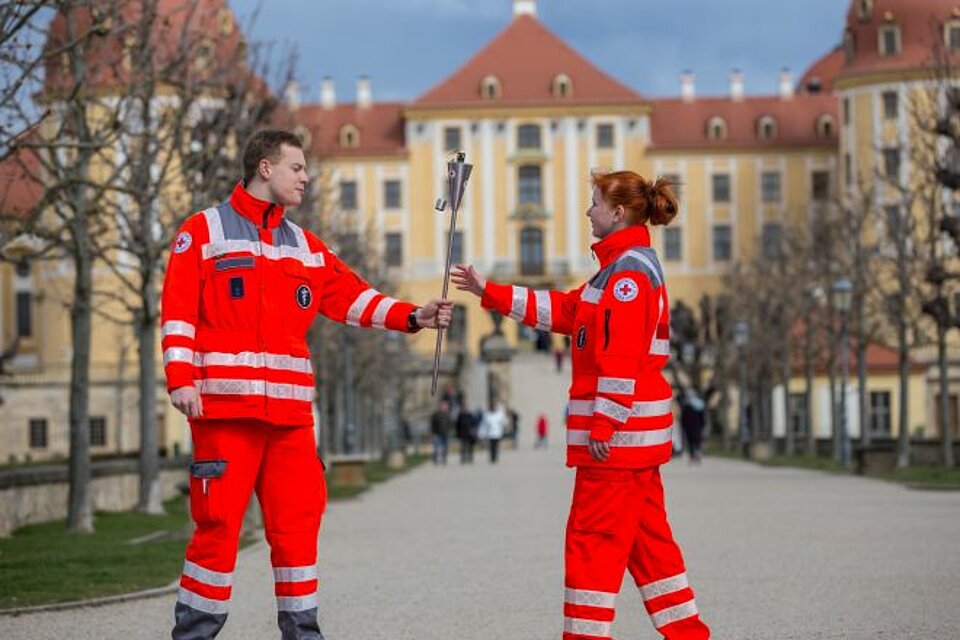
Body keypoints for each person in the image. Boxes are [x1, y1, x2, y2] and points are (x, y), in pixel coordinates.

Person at [161, 129, 452, 640]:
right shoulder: (203, 231)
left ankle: (303, 632)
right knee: (218, 530)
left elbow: (354, 299)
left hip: (291, 422)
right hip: (226, 414)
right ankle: (194, 633)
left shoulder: (306, 246)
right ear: (265, 168)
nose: (306, 178)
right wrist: (180, 378)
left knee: (298, 530)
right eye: (297, 168)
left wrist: (415, 316)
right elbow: (178, 312)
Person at [452, 170, 710, 639]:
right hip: (635, 443)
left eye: (593, 202)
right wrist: (488, 291)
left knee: (590, 547)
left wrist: (604, 425)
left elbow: (621, 353)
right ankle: (688, 633)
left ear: (617, 212)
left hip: (618, 444)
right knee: (650, 547)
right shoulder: (619, 268)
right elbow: (565, 312)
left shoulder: (627, 273)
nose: (587, 211)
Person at [679, 388, 706, 464]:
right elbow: (702, 417)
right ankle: (696, 454)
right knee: (696, 441)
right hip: (697, 426)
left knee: (691, 442)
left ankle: (693, 456)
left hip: (689, 427)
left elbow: (683, 418)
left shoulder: (686, 406)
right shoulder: (699, 405)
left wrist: (683, 425)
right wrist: (703, 424)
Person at [430, 400, 453, 465]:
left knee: (445, 447)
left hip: (445, 433)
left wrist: (449, 431)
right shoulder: (435, 415)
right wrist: (433, 433)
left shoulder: (447, 415)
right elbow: (433, 425)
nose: (443, 408)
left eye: (444, 407)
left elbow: (450, 424)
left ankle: (444, 459)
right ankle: (435, 460)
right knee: (436, 447)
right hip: (437, 433)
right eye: (442, 407)